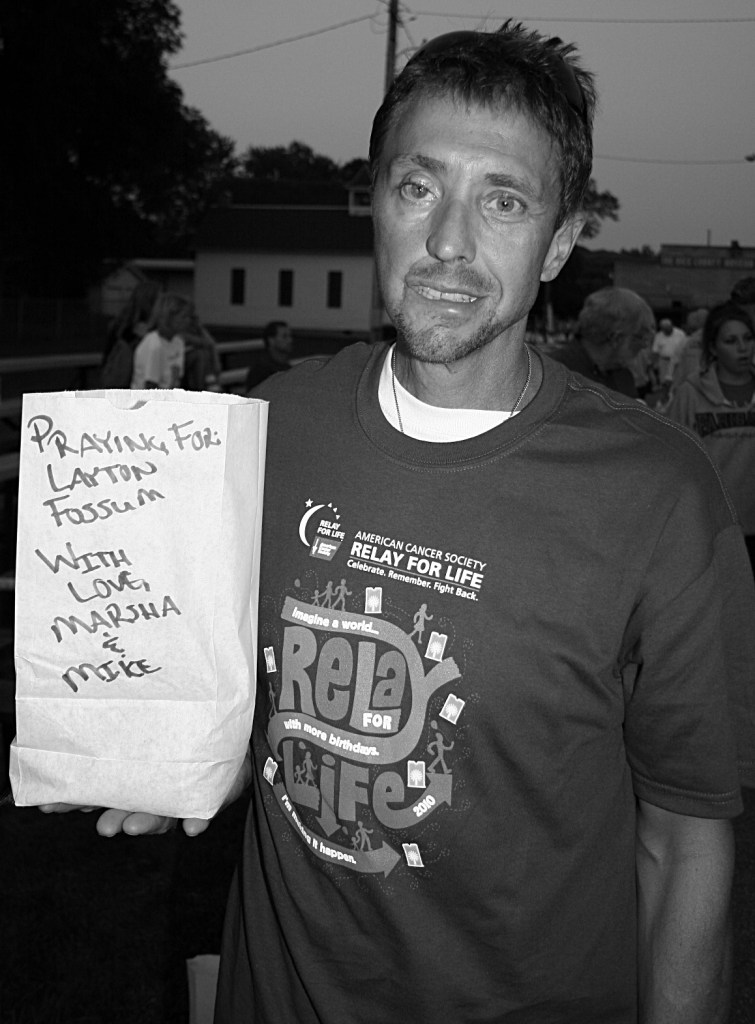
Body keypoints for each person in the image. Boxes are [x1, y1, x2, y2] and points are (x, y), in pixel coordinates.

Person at [39, 21, 755, 1024]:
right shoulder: (269, 426)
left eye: (501, 200)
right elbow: (262, 718)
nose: (449, 240)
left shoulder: (658, 493)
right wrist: (170, 755)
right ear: (376, 203)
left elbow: (682, 841)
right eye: (418, 187)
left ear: (557, 243)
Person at [666, 301, 755, 572]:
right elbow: (671, 458)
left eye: (748, 338)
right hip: (714, 527)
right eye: (731, 341)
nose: (743, 348)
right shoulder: (690, 394)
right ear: (713, 348)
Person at [548, 286, 655, 398]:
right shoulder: (552, 374)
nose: (644, 345)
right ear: (616, 338)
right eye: (640, 338)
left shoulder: (623, 377)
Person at [130, 291, 192, 389]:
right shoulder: (154, 345)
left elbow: (176, 377)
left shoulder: (178, 342)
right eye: (183, 317)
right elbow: (150, 386)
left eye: (189, 317)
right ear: (168, 317)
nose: (188, 321)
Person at [244, 320, 293, 393]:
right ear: (271, 340)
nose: (290, 340)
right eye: (284, 336)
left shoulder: (286, 367)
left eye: (290, 336)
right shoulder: (260, 370)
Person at [651, 316, 688, 403]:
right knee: (665, 383)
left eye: (668, 328)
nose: (667, 330)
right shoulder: (658, 336)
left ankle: (677, 400)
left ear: (671, 326)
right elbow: (655, 351)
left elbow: (686, 347)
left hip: (678, 362)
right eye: (664, 329)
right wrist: (654, 364)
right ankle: (665, 401)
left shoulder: (680, 333)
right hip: (664, 361)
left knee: (678, 381)